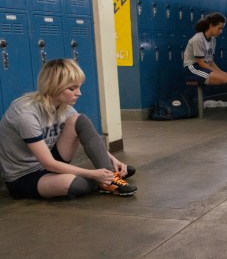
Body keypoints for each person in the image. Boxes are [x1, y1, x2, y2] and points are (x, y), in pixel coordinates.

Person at [0, 59, 137, 199]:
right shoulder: (25, 114)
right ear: (53, 86)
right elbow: (48, 163)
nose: (79, 93)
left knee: (80, 120)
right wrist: (93, 174)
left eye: (79, 87)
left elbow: (89, 136)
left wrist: (113, 161)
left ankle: (110, 177)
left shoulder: (63, 107)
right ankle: (105, 179)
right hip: (24, 176)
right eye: (72, 89)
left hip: (50, 163)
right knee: (77, 185)